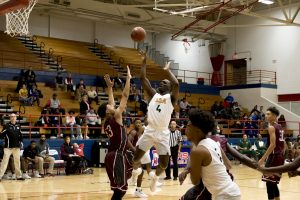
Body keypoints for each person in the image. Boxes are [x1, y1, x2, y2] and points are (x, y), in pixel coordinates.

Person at [131, 50, 179, 193]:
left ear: (168, 88)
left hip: (163, 132)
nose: (161, 83)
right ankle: (135, 173)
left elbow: (176, 84)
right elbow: (142, 77)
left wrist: (167, 71)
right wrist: (144, 61)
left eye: (164, 83)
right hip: (150, 130)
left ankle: (155, 179)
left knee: (164, 164)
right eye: (161, 82)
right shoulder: (153, 94)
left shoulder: (171, 98)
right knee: (135, 158)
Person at [184, 109, 241, 200]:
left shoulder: (197, 151)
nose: (185, 128)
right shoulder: (212, 142)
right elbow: (228, 165)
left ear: (198, 131)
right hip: (229, 191)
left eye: (188, 126)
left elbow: (195, 181)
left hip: (225, 195)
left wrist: (193, 168)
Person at [98, 66, 132, 199]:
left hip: (115, 155)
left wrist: (110, 87)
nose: (112, 105)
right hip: (116, 155)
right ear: (107, 111)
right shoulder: (117, 115)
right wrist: (128, 79)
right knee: (120, 191)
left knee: (120, 190)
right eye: (109, 106)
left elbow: (111, 100)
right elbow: (125, 95)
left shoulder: (108, 121)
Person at [258, 107, 285, 200]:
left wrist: (262, 159)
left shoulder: (271, 127)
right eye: (266, 114)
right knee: (273, 182)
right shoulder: (280, 126)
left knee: (269, 182)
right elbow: (284, 144)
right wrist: (282, 155)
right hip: (280, 157)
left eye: (268, 114)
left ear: (274, 116)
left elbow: (272, 145)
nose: (266, 116)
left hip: (274, 157)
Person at [127, 118, 152, 198]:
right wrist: (134, 149)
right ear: (134, 124)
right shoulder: (133, 132)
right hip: (130, 153)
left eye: (140, 123)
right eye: (136, 123)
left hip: (138, 154)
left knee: (141, 172)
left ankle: (138, 189)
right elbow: (128, 141)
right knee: (138, 171)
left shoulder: (142, 132)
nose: (138, 124)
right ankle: (131, 181)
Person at [0, 113, 24, 181]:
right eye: (12, 117)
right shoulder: (7, 126)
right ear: (10, 118)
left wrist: (21, 143)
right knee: (4, 162)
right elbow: (1, 135)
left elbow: (21, 135)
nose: (13, 118)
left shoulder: (19, 126)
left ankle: (19, 176)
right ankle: (0, 176)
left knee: (17, 161)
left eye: (14, 117)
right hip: (8, 147)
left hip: (17, 147)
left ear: (16, 118)